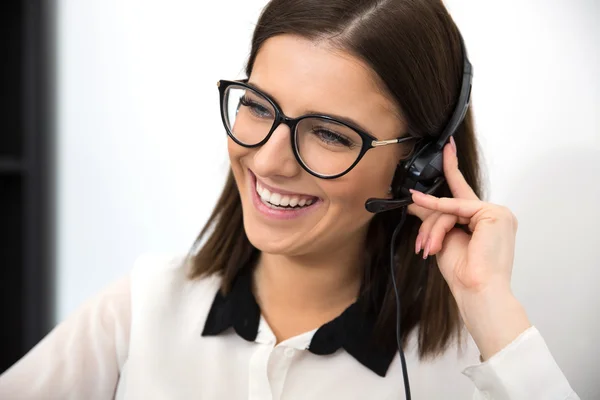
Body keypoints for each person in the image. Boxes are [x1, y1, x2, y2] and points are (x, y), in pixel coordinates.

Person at [0, 0, 580, 399]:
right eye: (257, 105)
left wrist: (489, 309)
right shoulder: (145, 306)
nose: (269, 161)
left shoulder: (474, 361)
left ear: (417, 168)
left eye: (328, 133)